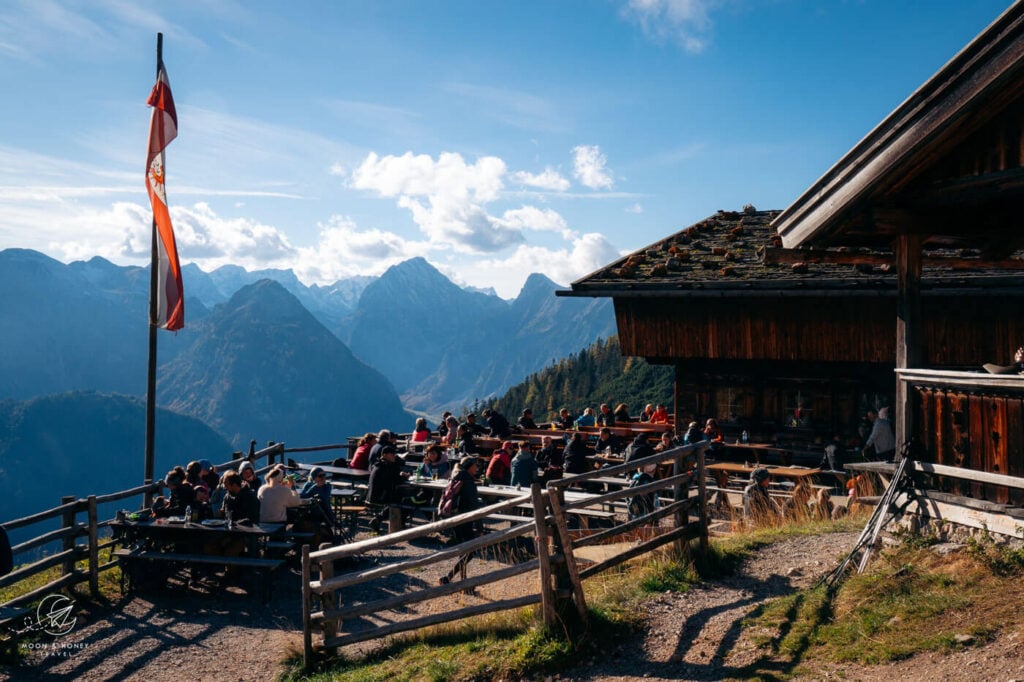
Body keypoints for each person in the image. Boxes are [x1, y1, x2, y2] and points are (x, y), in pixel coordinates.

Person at [438, 457, 482, 585]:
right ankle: (449, 577)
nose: (477, 468)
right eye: (475, 466)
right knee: (471, 551)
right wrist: (479, 527)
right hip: (466, 519)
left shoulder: (456, 476)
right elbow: (474, 506)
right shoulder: (468, 481)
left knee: (463, 550)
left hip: (455, 517)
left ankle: (463, 580)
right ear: (469, 466)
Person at [366, 445, 409, 532]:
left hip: (373, 495)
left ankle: (379, 520)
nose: (394, 456)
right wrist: (405, 477)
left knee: (400, 498)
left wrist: (400, 474)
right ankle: (398, 524)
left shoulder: (379, 464)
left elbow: (393, 476)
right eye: (392, 454)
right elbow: (396, 480)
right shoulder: (385, 466)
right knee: (404, 502)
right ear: (385, 455)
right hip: (380, 496)